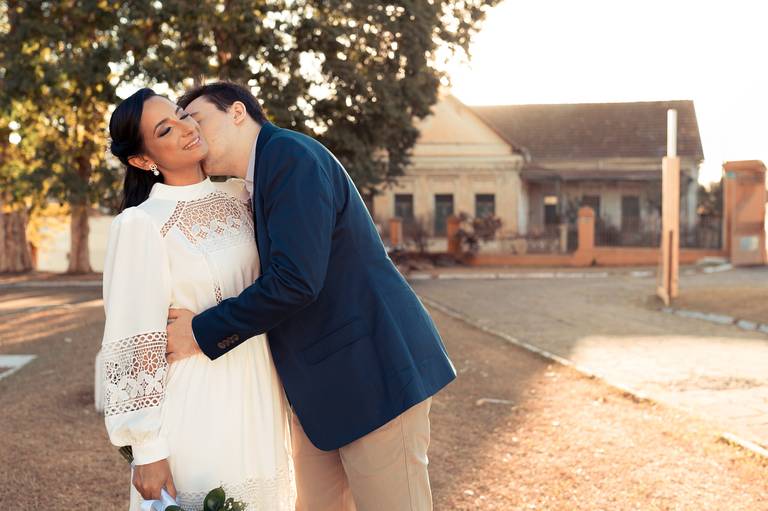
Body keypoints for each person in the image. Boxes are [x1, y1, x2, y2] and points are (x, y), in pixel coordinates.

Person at [166, 82, 457, 510]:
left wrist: (200, 331)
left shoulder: (290, 157)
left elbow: (295, 281)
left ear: (238, 112)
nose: (191, 133)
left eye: (197, 119)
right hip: (320, 390)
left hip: (372, 374)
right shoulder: (254, 183)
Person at [102, 88, 295, 510]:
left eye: (181, 115)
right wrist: (146, 450)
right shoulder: (141, 224)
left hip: (259, 394)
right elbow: (131, 342)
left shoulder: (240, 197)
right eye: (165, 130)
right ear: (143, 160)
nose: (186, 128)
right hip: (197, 404)